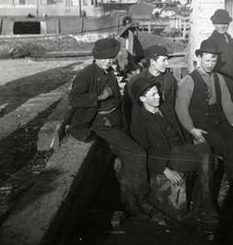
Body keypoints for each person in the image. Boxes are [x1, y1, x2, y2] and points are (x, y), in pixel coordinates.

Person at [68, 37, 162, 222]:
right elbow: (74, 99)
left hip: (115, 119)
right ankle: (142, 199)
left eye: (111, 58)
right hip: (100, 123)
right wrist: (98, 96)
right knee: (137, 154)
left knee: (129, 157)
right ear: (96, 57)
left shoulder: (108, 71)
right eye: (104, 58)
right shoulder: (86, 74)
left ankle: (131, 202)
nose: (108, 61)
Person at [130, 76, 219, 225]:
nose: (158, 96)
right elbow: (142, 150)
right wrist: (165, 170)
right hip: (167, 158)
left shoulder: (165, 108)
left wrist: (192, 143)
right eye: (153, 95)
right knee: (209, 159)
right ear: (142, 99)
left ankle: (202, 206)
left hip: (181, 150)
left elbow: (181, 132)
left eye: (158, 92)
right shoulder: (140, 120)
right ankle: (205, 207)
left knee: (206, 153)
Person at [175, 39, 233, 193]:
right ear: (199, 58)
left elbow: (227, 102)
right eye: (207, 60)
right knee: (224, 146)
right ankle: (229, 187)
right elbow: (181, 108)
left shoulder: (219, 78)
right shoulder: (188, 81)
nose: (210, 64)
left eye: (213, 60)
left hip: (218, 119)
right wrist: (192, 129)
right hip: (201, 123)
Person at [206, 8, 233, 101]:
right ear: (214, 24)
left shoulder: (228, 38)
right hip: (221, 79)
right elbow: (216, 63)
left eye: (225, 23)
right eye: (220, 23)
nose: (223, 26)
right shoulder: (211, 41)